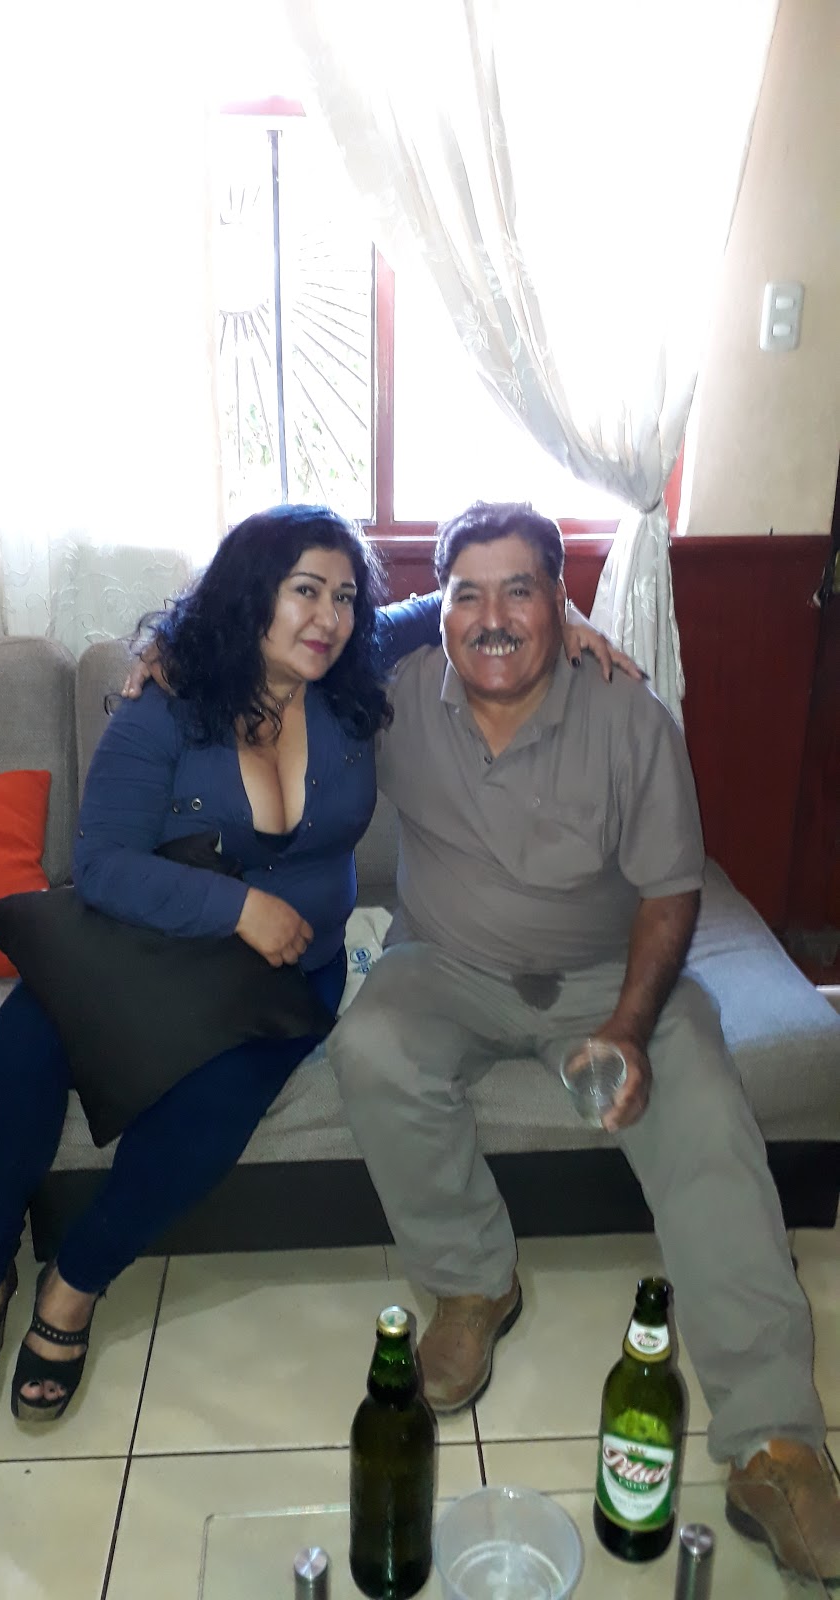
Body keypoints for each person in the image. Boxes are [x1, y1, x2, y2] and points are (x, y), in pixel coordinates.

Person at [0, 502, 622, 1431]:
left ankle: (75, 1283)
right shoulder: (168, 699)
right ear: (252, 593)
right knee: (20, 1052)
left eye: (343, 596)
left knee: (212, 1114)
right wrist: (237, 908)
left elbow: (467, 600)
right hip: (137, 943)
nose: (328, 617)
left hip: (286, 972)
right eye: (305, 590)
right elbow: (100, 866)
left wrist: (565, 616)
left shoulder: (351, 666)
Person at [327, 500, 840, 1582]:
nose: (492, 618)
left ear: (563, 604)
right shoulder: (394, 696)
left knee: (707, 1126)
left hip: (609, 979)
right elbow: (272, 654)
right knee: (371, 1045)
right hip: (448, 967)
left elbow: (670, 890)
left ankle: (775, 1443)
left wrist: (630, 1026)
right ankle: (474, 1284)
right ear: (439, 610)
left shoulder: (627, 716)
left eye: (520, 591)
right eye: (468, 594)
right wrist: (160, 657)